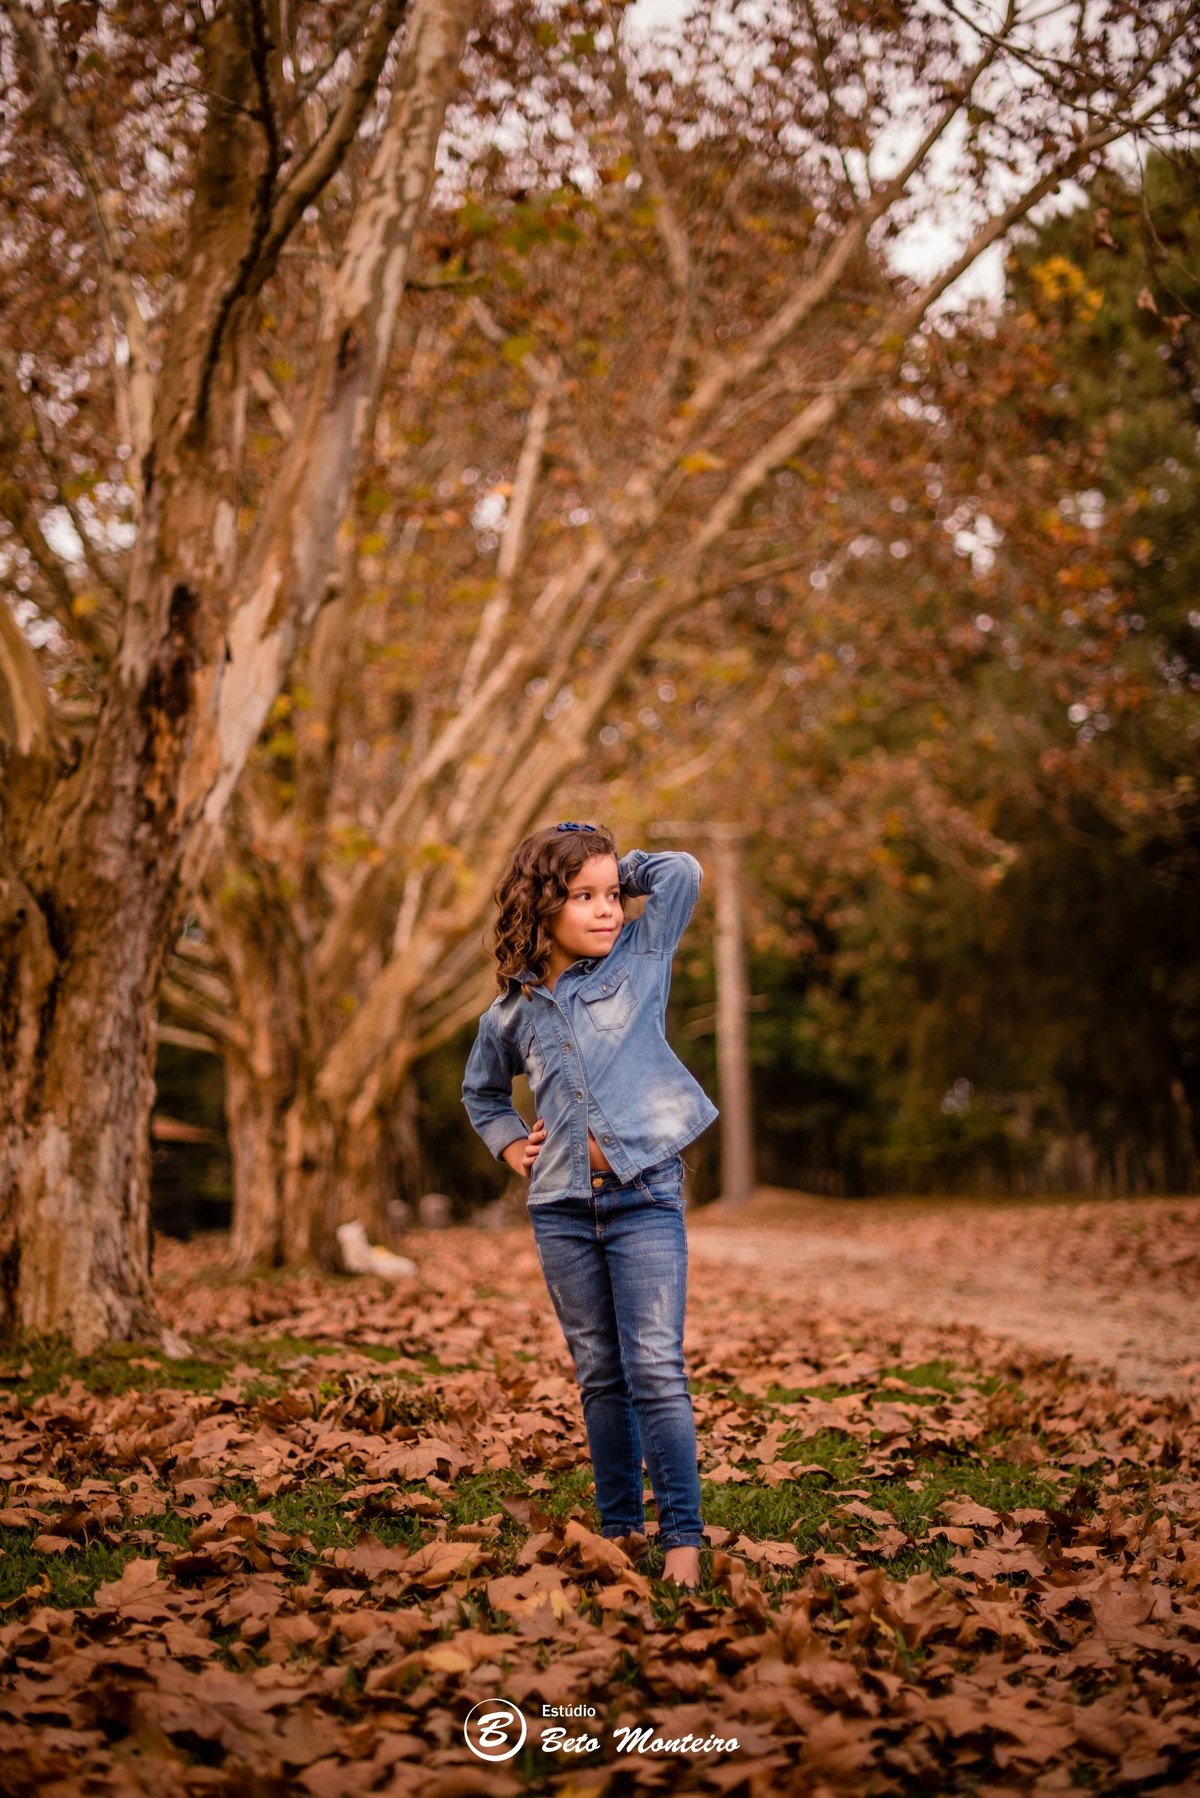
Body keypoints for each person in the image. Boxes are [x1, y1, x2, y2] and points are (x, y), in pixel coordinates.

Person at [462, 821, 719, 1591]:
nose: (609, 910)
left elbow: (683, 873)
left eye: (612, 895)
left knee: (655, 1369)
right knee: (601, 1375)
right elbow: (481, 1094)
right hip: (563, 1210)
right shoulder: (509, 1015)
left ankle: (681, 1540)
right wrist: (512, 1145)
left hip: (645, 1197)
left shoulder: (640, 959)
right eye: (585, 897)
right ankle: (619, 1529)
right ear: (543, 905)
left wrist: (613, 862)